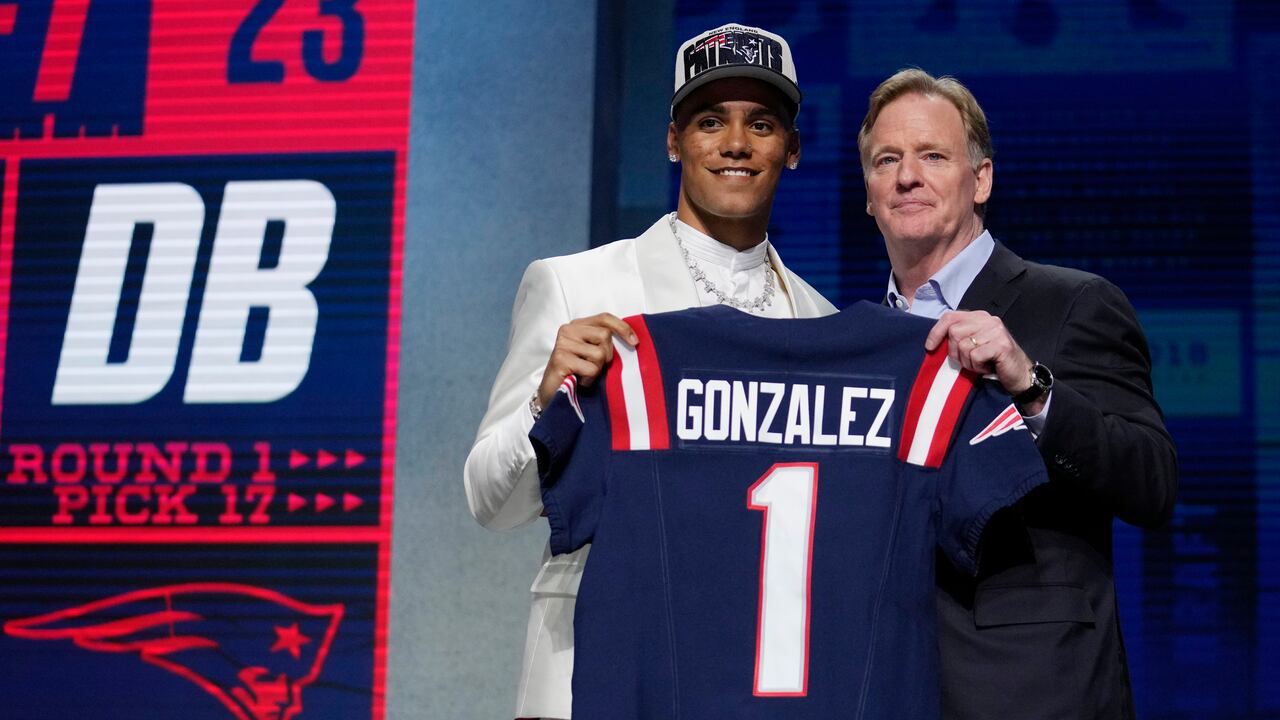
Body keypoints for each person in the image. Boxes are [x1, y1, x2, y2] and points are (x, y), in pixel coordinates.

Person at [464, 24, 835, 719]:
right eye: (708, 120)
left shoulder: (819, 324)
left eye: (760, 123)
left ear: (791, 149)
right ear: (673, 141)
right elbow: (489, 501)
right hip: (593, 677)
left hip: (753, 683)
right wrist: (545, 404)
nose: (734, 143)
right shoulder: (576, 286)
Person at [858, 68, 1177, 718]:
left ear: (981, 180)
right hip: (885, 680)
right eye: (886, 159)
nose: (907, 176)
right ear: (868, 193)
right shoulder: (855, 338)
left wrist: (1031, 389)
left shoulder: (1071, 304)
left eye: (933, 156)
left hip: (1034, 689)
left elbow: (1152, 483)